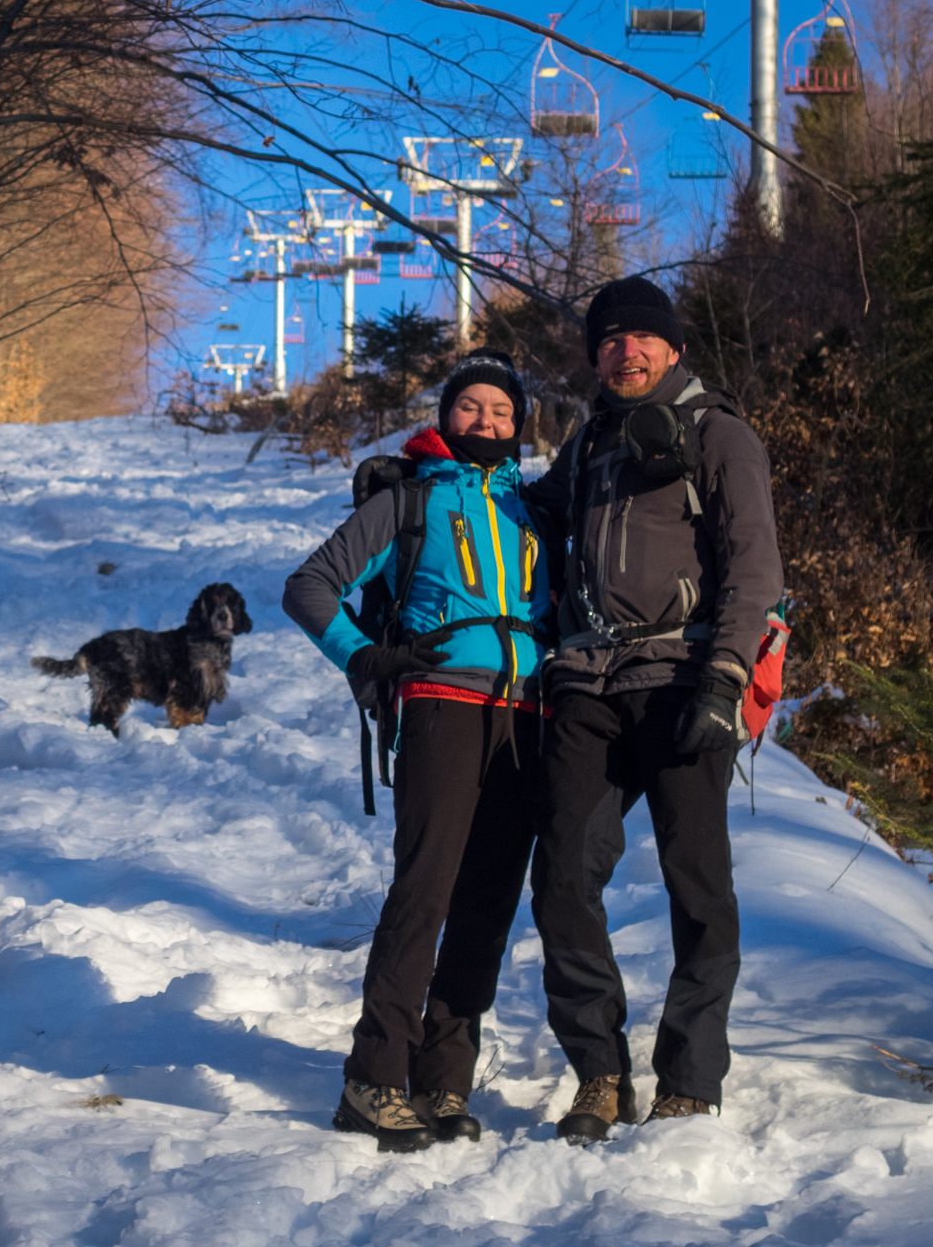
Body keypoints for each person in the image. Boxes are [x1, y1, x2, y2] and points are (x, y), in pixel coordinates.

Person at [522, 276, 783, 1144]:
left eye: (640, 339)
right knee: (563, 879)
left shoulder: (721, 435)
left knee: (697, 884)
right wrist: (425, 482)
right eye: (607, 342)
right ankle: (600, 1073)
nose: (623, 351)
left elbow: (755, 571)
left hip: (684, 681)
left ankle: (691, 1075)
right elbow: (524, 511)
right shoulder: (590, 437)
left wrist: (725, 677)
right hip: (589, 684)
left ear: (672, 349)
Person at [283, 348, 552, 1152]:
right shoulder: (408, 498)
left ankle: (443, 1082)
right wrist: (365, 656)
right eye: (472, 407)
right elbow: (309, 587)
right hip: (440, 704)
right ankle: (373, 1079)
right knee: (425, 892)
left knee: (486, 904)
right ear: (444, 415)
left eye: (502, 412)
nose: (488, 422)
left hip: (524, 712)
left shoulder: (531, 509)